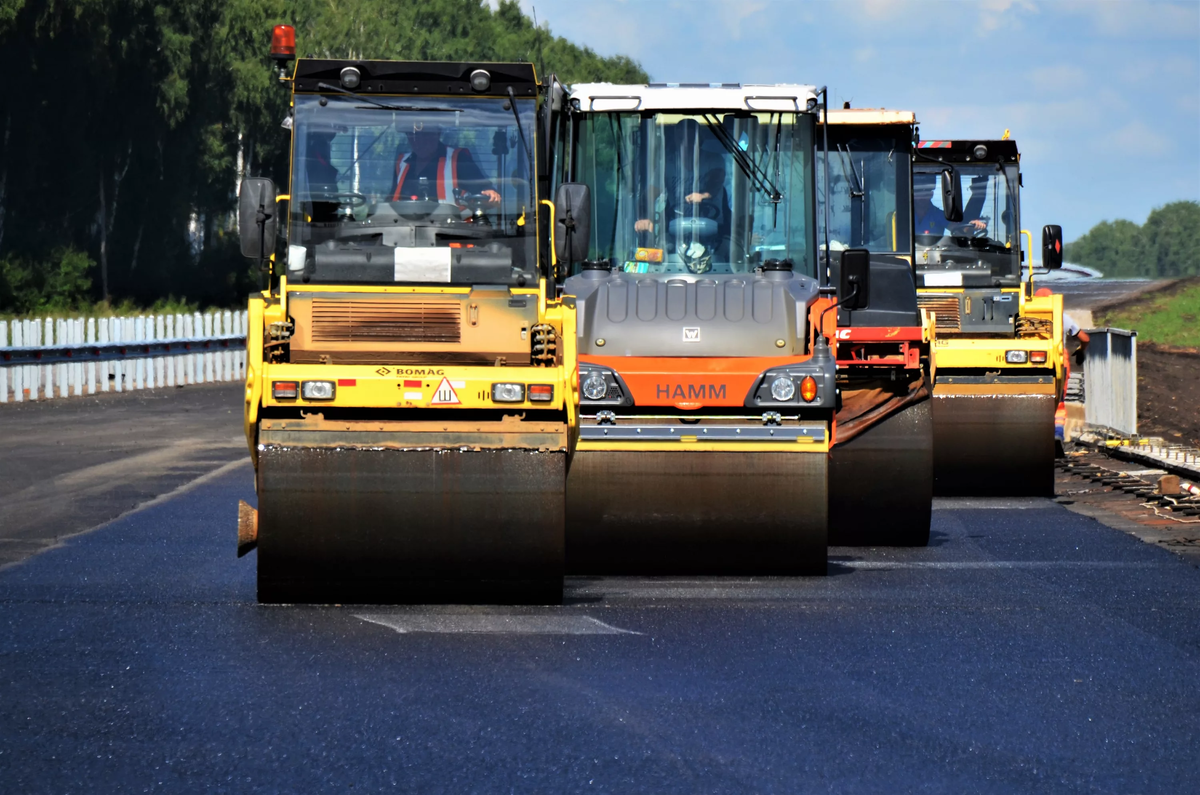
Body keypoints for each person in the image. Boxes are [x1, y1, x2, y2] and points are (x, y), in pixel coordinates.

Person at [392, 121, 500, 205]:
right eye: (413, 135)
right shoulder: (402, 163)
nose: (419, 141)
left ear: (437, 134)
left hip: (451, 230)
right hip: (404, 229)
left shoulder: (458, 159)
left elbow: (484, 190)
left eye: (425, 134)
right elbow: (391, 199)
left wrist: (489, 193)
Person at [913, 173, 986, 236]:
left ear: (931, 194)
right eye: (919, 194)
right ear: (913, 195)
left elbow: (959, 229)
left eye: (925, 194)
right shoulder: (905, 215)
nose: (922, 198)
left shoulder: (939, 215)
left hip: (934, 251)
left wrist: (972, 225)